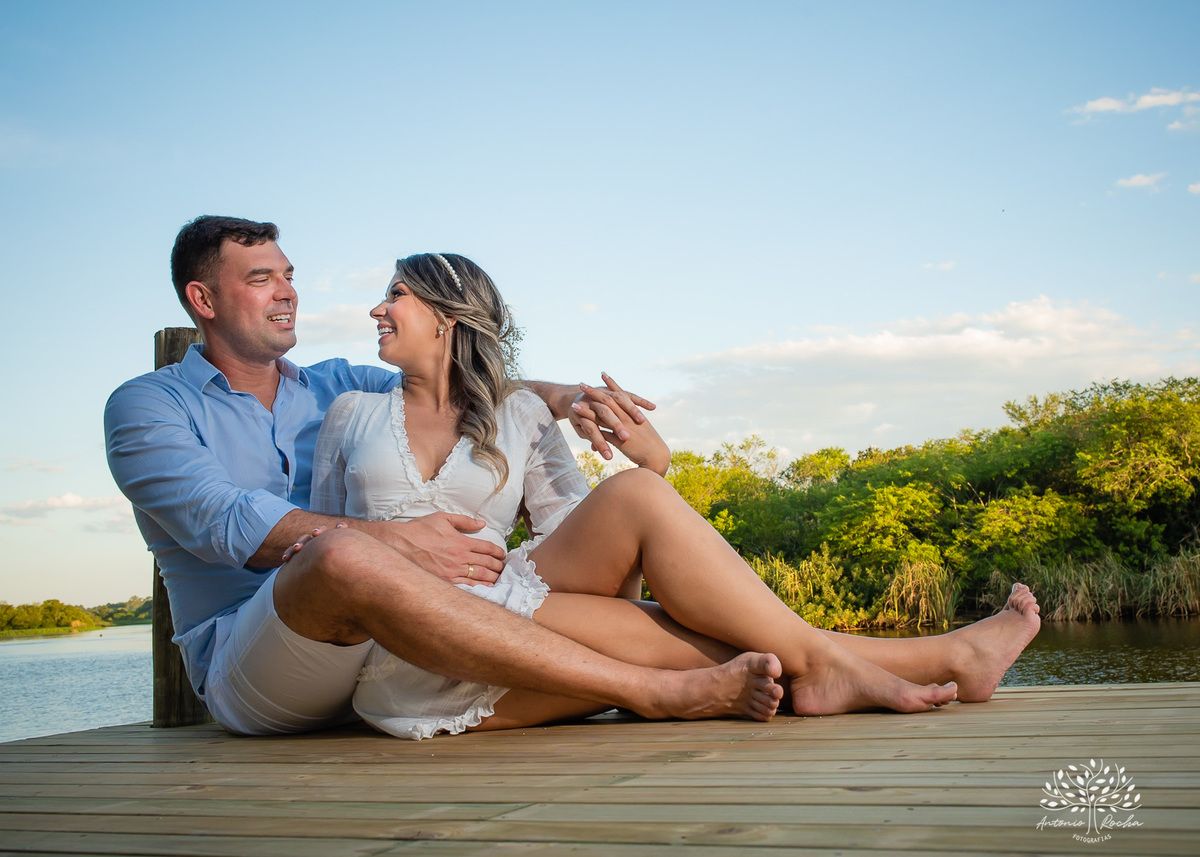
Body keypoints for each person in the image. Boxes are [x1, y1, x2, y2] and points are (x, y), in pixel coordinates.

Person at [303, 251, 1042, 739]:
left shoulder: (520, 413)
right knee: (712, 648)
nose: (377, 309)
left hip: (519, 600)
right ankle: (926, 656)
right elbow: (326, 548)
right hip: (405, 642)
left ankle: (918, 660)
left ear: (447, 314)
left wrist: (649, 469)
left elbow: (602, 568)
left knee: (634, 495)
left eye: (393, 295)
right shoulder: (350, 416)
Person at [105, 216, 786, 737]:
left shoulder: (337, 385)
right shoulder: (147, 406)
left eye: (287, 274)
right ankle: (650, 690)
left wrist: (563, 396)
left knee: (650, 527)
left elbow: (456, 383)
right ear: (203, 299)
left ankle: (828, 663)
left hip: (397, 639)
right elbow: (227, 524)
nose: (287, 292)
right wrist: (397, 540)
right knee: (341, 553)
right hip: (253, 661)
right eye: (260, 279)